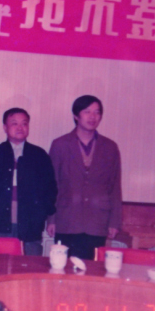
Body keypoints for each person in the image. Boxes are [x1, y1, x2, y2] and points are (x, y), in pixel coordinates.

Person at [47, 95, 122, 260]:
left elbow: (115, 186)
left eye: (97, 112)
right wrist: (51, 219)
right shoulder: (60, 144)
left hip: (98, 221)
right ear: (76, 115)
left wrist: (114, 222)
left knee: (93, 270)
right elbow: (52, 185)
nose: (92, 116)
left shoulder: (110, 147)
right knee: (64, 267)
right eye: (87, 111)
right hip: (66, 219)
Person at [0, 108, 57, 256]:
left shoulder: (39, 155)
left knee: (30, 267)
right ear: (5, 127)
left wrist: (49, 218)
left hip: (31, 225)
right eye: (14, 123)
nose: (20, 127)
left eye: (24, 123)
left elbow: (50, 189)